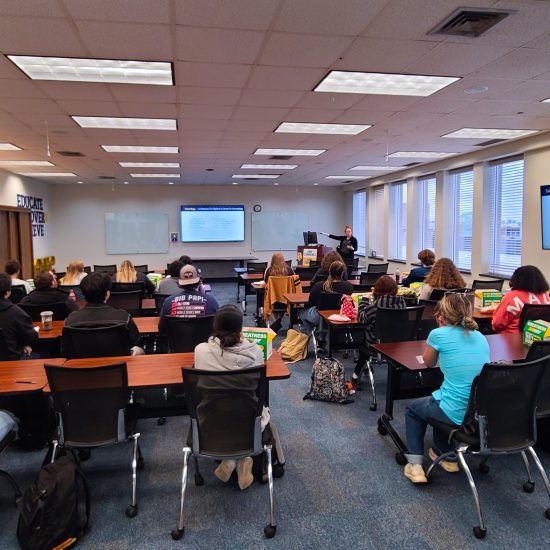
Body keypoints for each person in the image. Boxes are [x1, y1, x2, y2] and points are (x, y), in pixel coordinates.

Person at [403, 293, 490, 484]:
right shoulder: (481, 337)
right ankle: (447, 456)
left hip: (455, 411)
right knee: (439, 400)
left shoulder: (438, 334)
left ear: (442, 314)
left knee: (414, 410)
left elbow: (427, 363)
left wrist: (440, 330)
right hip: (476, 413)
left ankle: (415, 465)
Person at [194, 304, 268, 490]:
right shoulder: (255, 352)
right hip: (247, 421)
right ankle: (241, 458)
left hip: (210, 421)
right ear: (240, 329)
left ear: (215, 326)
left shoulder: (200, 351)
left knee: (225, 411)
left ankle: (230, 460)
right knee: (261, 409)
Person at [64, 272, 144, 355]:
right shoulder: (124, 317)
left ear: (84, 294)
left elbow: (65, 351)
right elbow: (137, 343)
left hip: (81, 366)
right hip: (118, 366)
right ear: (107, 294)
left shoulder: (70, 320)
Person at [351, 275, 407, 389]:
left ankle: (355, 377)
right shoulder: (402, 304)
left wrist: (364, 301)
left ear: (377, 290)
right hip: (398, 345)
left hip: (377, 345)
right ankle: (358, 374)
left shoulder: (375, 307)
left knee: (362, 341)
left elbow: (361, 319)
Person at [300, 261, 353, 347]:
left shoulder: (319, 285)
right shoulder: (348, 286)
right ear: (342, 273)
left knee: (302, 314)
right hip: (341, 317)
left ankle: (317, 337)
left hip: (320, 318)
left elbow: (311, 302)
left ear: (329, 271)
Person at [158, 264, 219, 335]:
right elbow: (218, 327)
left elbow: (161, 329)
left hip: (176, 345)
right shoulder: (211, 301)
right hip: (204, 344)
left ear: (180, 282)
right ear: (199, 281)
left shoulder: (168, 302)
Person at [492, 265, 550, 334]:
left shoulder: (512, 296)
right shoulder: (546, 295)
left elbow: (497, 324)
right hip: (537, 339)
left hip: (511, 339)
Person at [0, 272, 39, 359]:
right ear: (8, 291)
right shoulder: (16, 312)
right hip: (13, 361)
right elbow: (31, 337)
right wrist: (22, 346)